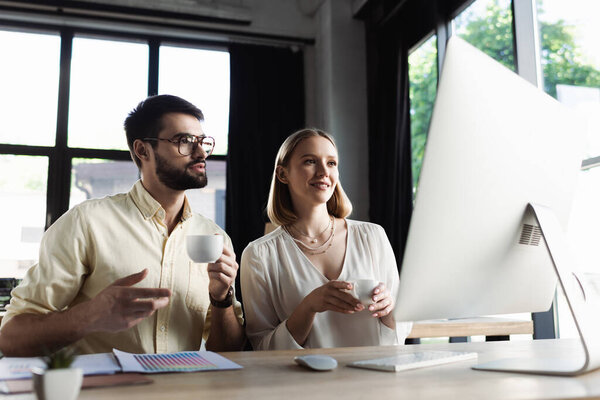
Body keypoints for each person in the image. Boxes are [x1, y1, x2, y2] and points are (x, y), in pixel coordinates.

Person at [0, 95, 245, 356]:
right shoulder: (87, 223)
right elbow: (11, 339)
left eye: (202, 142)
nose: (200, 153)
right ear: (142, 150)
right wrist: (89, 315)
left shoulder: (215, 237)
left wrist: (222, 299)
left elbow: (230, 350)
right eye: (184, 141)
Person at [240, 128, 412, 350]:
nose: (323, 172)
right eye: (310, 161)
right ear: (283, 174)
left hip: (374, 378)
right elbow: (263, 348)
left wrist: (390, 310)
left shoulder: (373, 236)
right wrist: (309, 306)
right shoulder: (259, 255)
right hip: (303, 382)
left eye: (331, 163)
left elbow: (402, 328)